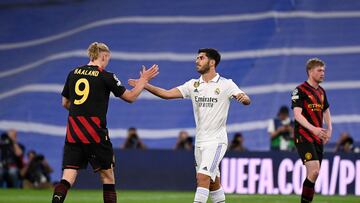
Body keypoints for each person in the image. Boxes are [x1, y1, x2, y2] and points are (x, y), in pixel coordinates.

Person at [129, 48, 251, 203]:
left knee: (203, 178)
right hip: (200, 142)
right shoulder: (193, 85)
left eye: (201, 58)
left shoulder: (226, 84)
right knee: (213, 183)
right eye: (197, 58)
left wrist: (244, 98)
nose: (197, 61)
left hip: (216, 141)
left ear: (212, 62)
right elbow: (167, 94)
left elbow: (246, 99)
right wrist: (145, 85)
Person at [51, 42, 158, 203]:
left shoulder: (73, 73)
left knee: (67, 177)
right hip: (95, 132)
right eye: (108, 58)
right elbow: (130, 97)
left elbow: (65, 103)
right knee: (108, 177)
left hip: (74, 131)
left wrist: (81, 114)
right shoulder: (106, 76)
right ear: (104, 56)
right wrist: (143, 80)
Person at [291, 58, 332, 203]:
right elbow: (297, 115)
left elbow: (325, 110)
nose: (323, 73)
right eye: (319, 70)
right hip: (303, 135)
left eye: (323, 70)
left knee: (314, 174)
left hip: (317, 137)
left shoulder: (321, 91)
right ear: (310, 71)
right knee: (314, 171)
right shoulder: (299, 90)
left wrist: (329, 128)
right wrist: (314, 129)